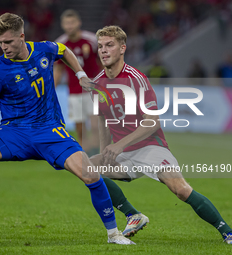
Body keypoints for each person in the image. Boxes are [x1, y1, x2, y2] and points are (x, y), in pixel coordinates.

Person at [0, 13, 134, 245]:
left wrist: (81, 75)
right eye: (0, 43)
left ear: (22, 36)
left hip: (50, 130)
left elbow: (64, 50)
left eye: (8, 42)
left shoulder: (43, 49)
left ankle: (113, 234)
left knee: (90, 174)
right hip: (14, 131)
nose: (4, 47)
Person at [88, 25, 232, 243]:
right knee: (89, 168)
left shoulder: (137, 79)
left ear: (123, 48)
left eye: (110, 45)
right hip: (124, 153)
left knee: (181, 190)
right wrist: (104, 151)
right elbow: (103, 121)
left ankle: (227, 232)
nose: (104, 51)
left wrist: (118, 145)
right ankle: (133, 215)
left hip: (150, 148)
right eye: (100, 46)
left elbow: (152, 122)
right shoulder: (97, 84)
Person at [54, 9, 100, 153]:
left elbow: (103, 61)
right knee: (80, 128)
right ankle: (85, 155)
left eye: (72, 22)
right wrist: (51, 90)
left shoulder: (92, 40)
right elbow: (58, 70)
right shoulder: (60, 45)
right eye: (67, 23)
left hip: (94, 89)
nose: (69, 26)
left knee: (95, 125)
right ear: (62, 25)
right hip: (74, 91)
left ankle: (98, 153)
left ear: (78, 23)